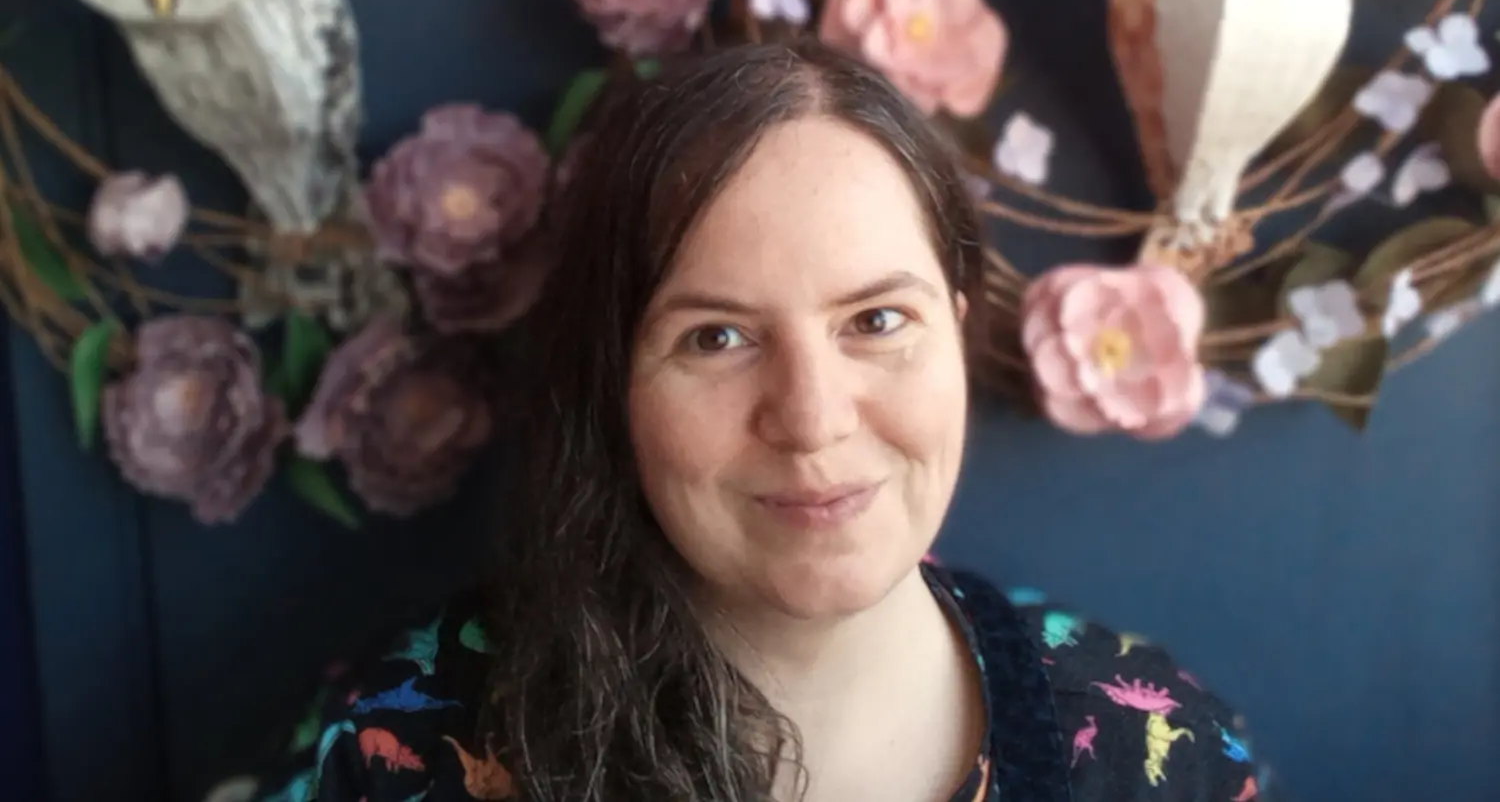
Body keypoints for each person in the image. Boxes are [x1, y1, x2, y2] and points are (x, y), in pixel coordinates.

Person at [228, 40, 1273, 802]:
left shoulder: (1163, 757)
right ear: (612, 385)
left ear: (957, 338)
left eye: (875, 320)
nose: (811, 420)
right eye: (717, 338)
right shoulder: (399, 750)